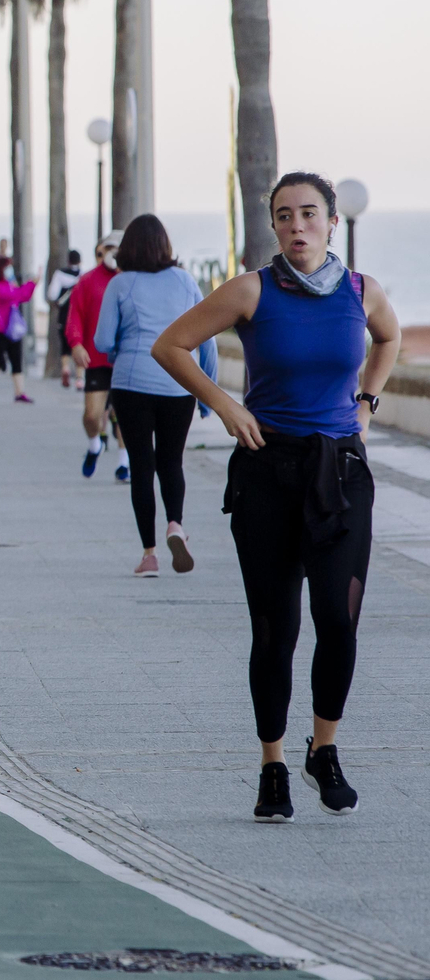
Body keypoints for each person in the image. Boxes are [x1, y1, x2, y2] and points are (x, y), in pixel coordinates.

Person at [153, 172, 400, 823]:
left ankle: (324, 748)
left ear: (331, 221)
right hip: (268, 473)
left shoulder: (361, 291)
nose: (297, 226)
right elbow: (170, 345)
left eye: (309, 214)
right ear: (274, 225)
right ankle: (272, 765)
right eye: (285, 216)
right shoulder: (250, 291)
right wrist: (225, 405)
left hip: (341, 472)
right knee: (276, 629)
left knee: (338, 618)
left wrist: (368, 403)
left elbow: (390, 339)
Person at [93, 216, 217, 577]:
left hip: (131, 383)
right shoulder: (183, 280)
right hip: (179, 384)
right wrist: (207, 394)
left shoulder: (120, 284)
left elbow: (102, 341)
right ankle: (175, 524)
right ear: (165, 245)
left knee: (141, 466)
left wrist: (121, 347)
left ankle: (149, 555)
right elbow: (206, 339)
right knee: (171, 461)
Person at [66, 231, 130, 482]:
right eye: (108, 248)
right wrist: (76, 344)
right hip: (96, 359)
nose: (112, 253)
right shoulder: (87, 281)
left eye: (117, 248)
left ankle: (124, 463)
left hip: (126, 360)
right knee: (92, 415)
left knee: (126, 415)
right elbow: (75, 316)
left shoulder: (132, 280)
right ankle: (95, 445)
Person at [0, 256, 35, 404]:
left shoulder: (9, 284)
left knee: (16, 360)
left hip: (12, 329)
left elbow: (24, 297)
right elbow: (16, 295)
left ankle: (20, 392)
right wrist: (30, 284)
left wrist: (31, 285)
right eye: (7, 267)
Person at [47, 250, 82, 388]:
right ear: (79, 261)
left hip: (64, 314)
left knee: (65, 345)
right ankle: (79, 378)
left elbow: (52, 294)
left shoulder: (60, 274)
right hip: (79, 314)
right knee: (79, 343)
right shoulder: (83, 275)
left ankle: (66, 368)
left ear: (68, 260)